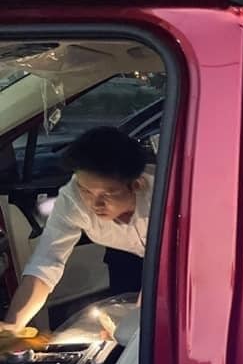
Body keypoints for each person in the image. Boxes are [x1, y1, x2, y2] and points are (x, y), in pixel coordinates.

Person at [0, 126, 153, 334]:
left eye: (108, 194)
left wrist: (139, 323)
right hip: (125, 256)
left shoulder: (162, 195)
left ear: (136, 184)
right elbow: (46, 262)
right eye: (86, 191)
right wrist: (13, 325)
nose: (95, 203)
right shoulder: (72, 199)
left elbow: (169, 266)